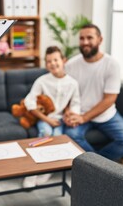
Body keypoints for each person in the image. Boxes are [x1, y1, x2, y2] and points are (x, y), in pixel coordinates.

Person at [63, 23, 123, 162]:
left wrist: (84, 118)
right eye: (82, 38)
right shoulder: (71, 65)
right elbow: (65, 94)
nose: (85, 42)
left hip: (106, 114)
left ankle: (97, 165)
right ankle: (101, 166)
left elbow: (109, 99)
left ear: (100, 40)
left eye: (89, 38)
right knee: (70, 136)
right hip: (78, 112)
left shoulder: (111, 64)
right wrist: (68, 111)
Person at [22, 46, 80, 188]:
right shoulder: (42, 80)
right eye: (49, 61)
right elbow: (29, 102)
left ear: (63, 60)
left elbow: (76, 104)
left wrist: (71, 115)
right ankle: (32, 172)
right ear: (46, 64)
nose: (52, 63)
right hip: (45, 119)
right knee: (45, 135)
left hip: (60, 120)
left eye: (56, 60)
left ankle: (48, 171)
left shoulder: (73, 83)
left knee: (58, 140)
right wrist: (47, 120)